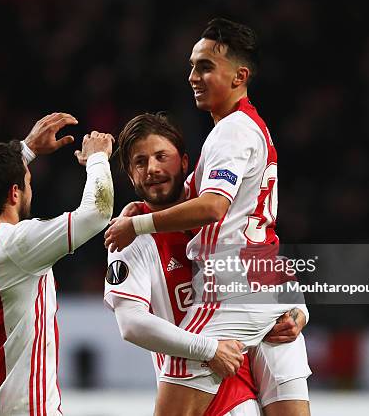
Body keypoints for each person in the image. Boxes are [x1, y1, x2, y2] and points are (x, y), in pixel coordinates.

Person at [104, 19, 311, 416]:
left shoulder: (231, 132)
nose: (193, 76)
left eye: (204, 67)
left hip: (230, 292)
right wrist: (299, 308)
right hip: (268, 288)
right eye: (192, 66)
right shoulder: (253, 130)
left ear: (240, 76)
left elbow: (213, 206)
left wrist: (136, 224)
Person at [0, 112, 114, 415]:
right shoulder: (17, 246)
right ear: (15, 193)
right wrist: (98, 159)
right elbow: (98, 211)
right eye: (28, 182)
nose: (31, 188)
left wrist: (27, 148)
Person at [105, 113, 260, 416]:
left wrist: (297, 311)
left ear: (185, 162)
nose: (152, 169)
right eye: (140, 162)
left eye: (162, 156)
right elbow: (131, 324)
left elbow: (267, 253)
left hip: (241, 387)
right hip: (188, 391)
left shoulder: (218, 206)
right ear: (131, 176)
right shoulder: (128, 237)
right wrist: (209, 349)